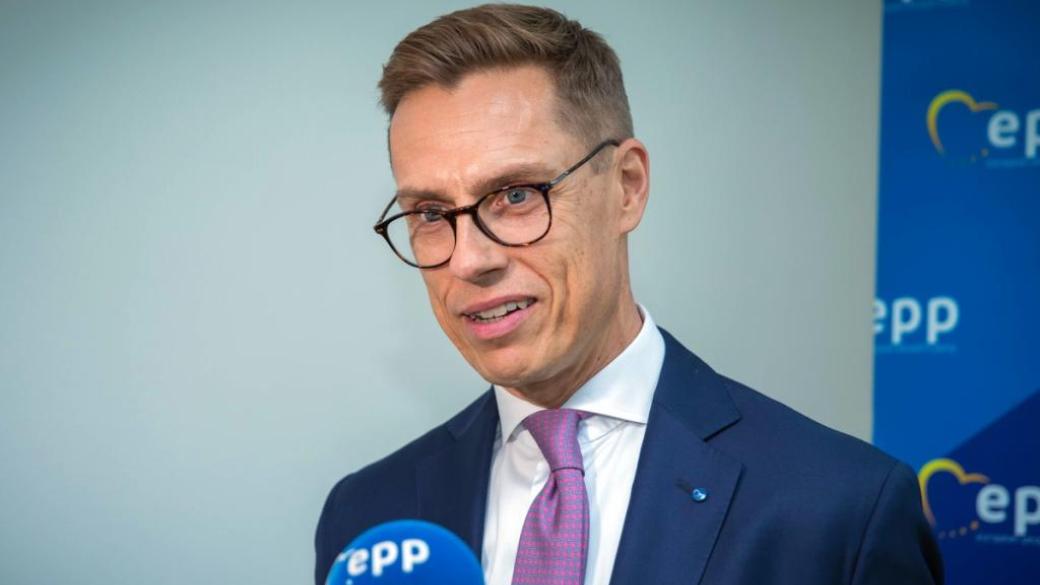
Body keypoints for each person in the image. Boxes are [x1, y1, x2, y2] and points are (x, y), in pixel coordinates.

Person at [315, 4, 943, 584]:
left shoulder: (840, 510)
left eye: (515, 196)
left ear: (627, 186)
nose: (470, 259)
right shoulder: (367, 517)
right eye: (429, 213)